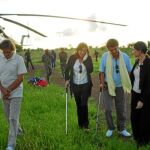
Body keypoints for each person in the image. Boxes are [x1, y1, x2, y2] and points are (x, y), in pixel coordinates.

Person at [99, 39, 132, 137]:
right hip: (107, 86)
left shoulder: (125, 57)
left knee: (121, 109)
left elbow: (129, 71)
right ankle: (110, 128)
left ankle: (121, 129)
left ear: (118, 47)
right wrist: (101, 83)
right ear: (108, 49)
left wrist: (127, 82)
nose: (113, 52)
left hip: (120, 87)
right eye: (111, 50)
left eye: (115, 49)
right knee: (108, 109)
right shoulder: (105, 56)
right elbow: (101, 71)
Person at [0, 39, 27, 150]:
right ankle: (19, 131)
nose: (6, 54)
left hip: (16, 92)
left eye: (8, 52)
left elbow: (21, 78)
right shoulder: (0, 58)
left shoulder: (18, 59)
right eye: (4, 52)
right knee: (8, 116)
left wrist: (9, 90)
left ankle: (11, 145)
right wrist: (3, 90)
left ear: (12, 49)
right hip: (3, 92)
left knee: (13, 118)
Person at [65, 42, 93, 130]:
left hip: (85, 84)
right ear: (78, 50)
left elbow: (91, 70)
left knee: (84, 104)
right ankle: (80, 124)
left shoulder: (88, 58)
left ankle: (86, 125)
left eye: (84, 51)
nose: (82, 52)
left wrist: (84, 61)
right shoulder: (72, 58)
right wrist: (66, 80)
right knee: (78, 105)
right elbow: (67, 69)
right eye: (81, 50)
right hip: (75, 85)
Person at [130, 41, 150, 147]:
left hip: (145, 96)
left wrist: (142, 100)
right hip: (135, 93)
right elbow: (133, 76)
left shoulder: (148, 63)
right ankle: (136, 136)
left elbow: (148, 85)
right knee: (134, 116)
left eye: (134, 49)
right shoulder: (137, 61)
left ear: (140, 51)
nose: (132, 51)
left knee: (144, 119)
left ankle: (144, 140)